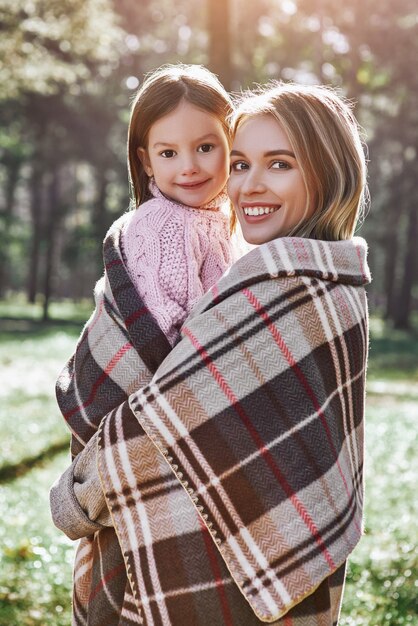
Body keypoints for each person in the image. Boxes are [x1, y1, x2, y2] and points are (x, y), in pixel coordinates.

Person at [51, 81, 371, 626]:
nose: (248, 185)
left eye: (279, 164)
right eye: (242, 163)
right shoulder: (295, 272)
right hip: (200, 535)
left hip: (234, 562)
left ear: (328, 169)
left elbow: (163, 417)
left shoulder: (300, 287)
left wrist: (80, 491)